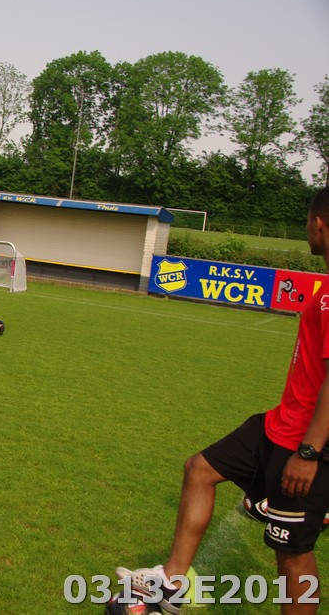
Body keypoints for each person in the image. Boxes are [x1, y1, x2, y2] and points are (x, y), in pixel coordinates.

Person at [113, 186, 329, 615]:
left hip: (305, 442)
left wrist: (309, 453)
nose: (307, 228)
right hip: (277, 426)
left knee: (292, 556)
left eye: (307, 221)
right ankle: (173, 582)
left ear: (318, 223)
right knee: (200, 468)